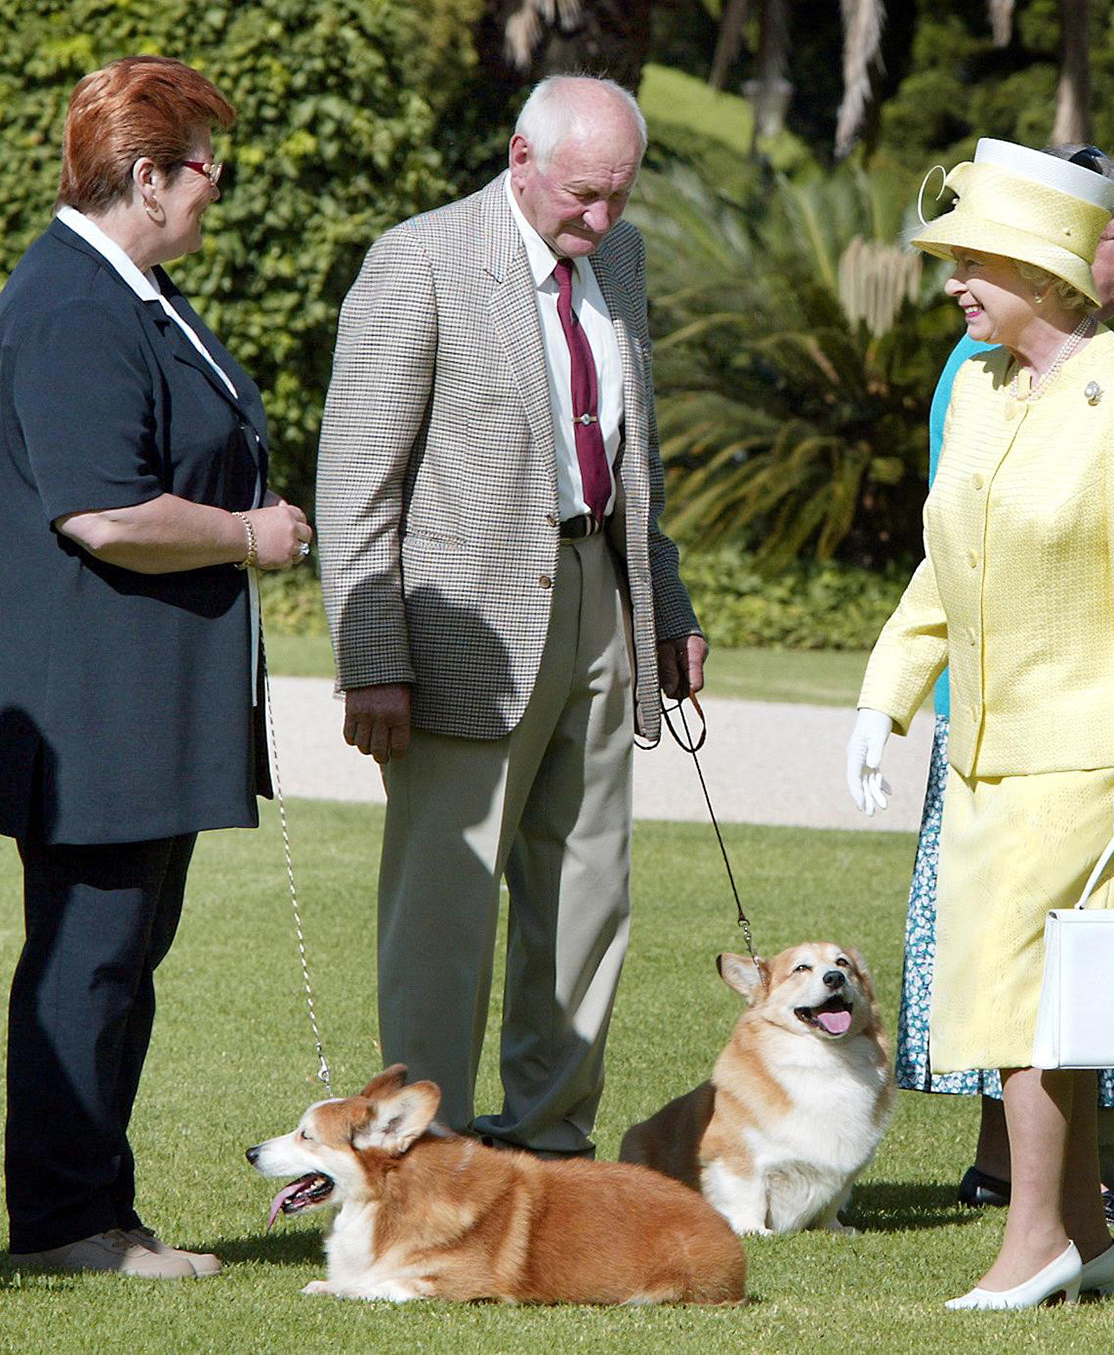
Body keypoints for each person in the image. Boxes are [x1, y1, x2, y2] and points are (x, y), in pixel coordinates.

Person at [0, 56, 311, 1278]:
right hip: (95, 703)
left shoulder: (128, 290)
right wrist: (252, 535)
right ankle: (70, 1225)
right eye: (205, 174)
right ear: (146, 176)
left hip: (136, 694)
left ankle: (97, 1209)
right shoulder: (78, 306)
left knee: (116, 958)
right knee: (91, 961)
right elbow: (101, 513)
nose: (212, 196)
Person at [315, 75, 706, 1159]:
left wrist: (663, 607)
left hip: (598, 603)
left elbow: (638, 462)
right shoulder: (419, 259)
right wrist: (372, 657)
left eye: (621, 196)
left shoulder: (616, 260)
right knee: (443, 909)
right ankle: (424, 1152)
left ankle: (550, 1139)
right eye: (585, 194)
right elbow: (357, 485)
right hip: (460, 632)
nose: (603, 220)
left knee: (589, 892)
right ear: (519, 158)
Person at [847, 139, 1114, 1309]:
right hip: (989, 754)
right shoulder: (989, 386)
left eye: (975, 260)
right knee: (1031, 998)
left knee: (1030, 1004)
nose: (953, 282)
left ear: (1047, 269)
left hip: (1091, 755)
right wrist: (883, 695)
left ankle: (1035, 1239)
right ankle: (1085, 1234)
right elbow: (942, 567)